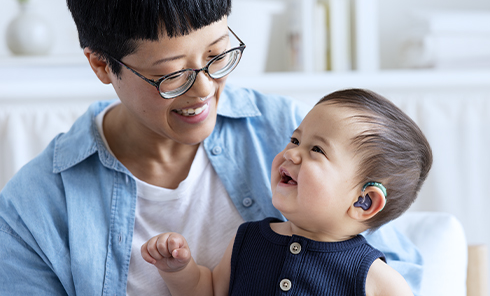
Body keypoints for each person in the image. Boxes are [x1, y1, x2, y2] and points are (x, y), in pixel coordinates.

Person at [0, 0, 424, 295]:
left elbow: (401, 270)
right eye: (172, 74)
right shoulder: (34, 207)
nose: (204, 88)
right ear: (101, 65)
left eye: (218, 56)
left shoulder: (298, 131)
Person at [142, 88, 432, 296]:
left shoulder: (377, 280)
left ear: (364, 201)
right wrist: (179, 271)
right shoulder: (249, 240)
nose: (291, 154)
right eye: (295, 140)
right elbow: (209, 291)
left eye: (317, 150)